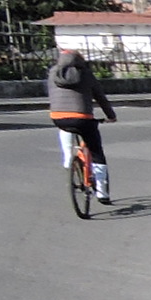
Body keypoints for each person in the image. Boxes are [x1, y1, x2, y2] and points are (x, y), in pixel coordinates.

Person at [49, 46, 116, 202]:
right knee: (96, 152)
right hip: (82, 117)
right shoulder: (86, 74)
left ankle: (67, 158)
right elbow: (100, 97)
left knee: (65, 127)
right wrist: (111, 116)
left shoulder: (53, 73)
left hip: (58, 116)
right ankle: (102, 192)